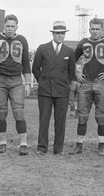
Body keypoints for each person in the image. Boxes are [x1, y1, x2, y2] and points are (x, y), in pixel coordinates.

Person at [69, 18, 104, 156]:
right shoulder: (83, 42)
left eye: (97, 29)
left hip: (101, 83)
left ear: (102, 30)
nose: (95, 31)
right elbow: (72, 59)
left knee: (100, 115)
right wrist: (78, 72)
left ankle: (101, 146)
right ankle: (79, 145)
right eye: (93, 29)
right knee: (82, 115)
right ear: (89, 29)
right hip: (86, 82)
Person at [0, 14, 31, 156]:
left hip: (16, 80)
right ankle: (2, 143)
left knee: (19, 112)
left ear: (17, 27)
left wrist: (28, 83)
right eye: (8, 26)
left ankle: (23, 144)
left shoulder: (22, 40)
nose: (10, 29)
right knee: (1, 113)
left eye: (13, 26)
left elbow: (25, 63)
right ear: (3, 26)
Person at [32, 21, 75, 155]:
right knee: (44, 119)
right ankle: (42, 148)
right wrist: (43, 81)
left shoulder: (69, 51)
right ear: (53, 34)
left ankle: (58, 149)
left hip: (62, 91)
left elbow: (71, 72)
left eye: (62, 33)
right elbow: (35, 68)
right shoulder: (42, 48)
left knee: (60, 121)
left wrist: (64, 82)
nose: (60, 36)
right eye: (58, 33)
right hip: (45, 90)